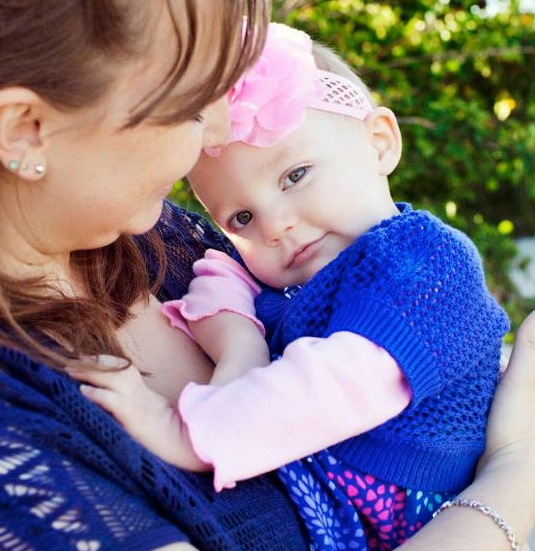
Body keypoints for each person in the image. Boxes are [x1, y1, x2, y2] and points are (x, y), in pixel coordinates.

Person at [0, 2, 533, 550]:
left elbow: (333, 384)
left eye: (296, 175)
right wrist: (516, 473)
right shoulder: (18, 444)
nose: (218, 126)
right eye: (191, 100)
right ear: (24, 129)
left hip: (407, 500)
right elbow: (225, 281)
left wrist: (186, 432)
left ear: (380, 142)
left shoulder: (427, 265)